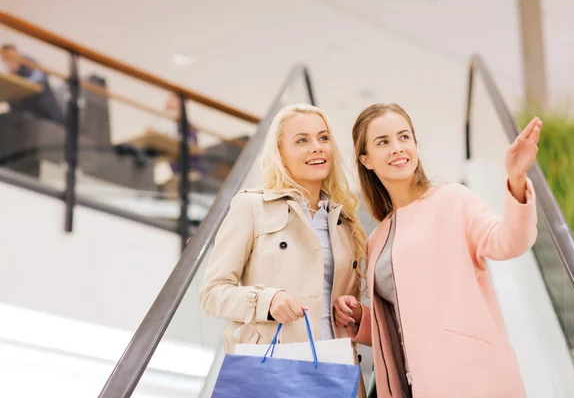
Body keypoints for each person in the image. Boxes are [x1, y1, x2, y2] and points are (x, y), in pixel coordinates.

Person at [333, 103, 541, 398]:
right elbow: (399, 320)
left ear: (416, 145)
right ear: (366, 159)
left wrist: (517, 179)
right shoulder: (376, 239)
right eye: (383, 142)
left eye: (404, 137)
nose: (397, 148)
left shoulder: (453, 199)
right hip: (413, 382)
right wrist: (361, 319)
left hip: (473, 377)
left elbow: (510, 241)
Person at [200, 104, 367, 397]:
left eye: (323, 138)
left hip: (335, 372)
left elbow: (344, 299)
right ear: (280, 154)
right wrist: (266, 299)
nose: (316, 148)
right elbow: (212, 294)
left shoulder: (346, 223)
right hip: (272, 372)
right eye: (302, 140)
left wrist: (351, 310)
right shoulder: (251, 207)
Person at [0, 44, 63, 124]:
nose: (8, 62)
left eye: (10, 57)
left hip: (45, 110)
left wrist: (22, 81)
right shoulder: (13, 73)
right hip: (28, 109)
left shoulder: (29, 63)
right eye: (6, 59)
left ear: (16, 54)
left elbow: (40, 78)